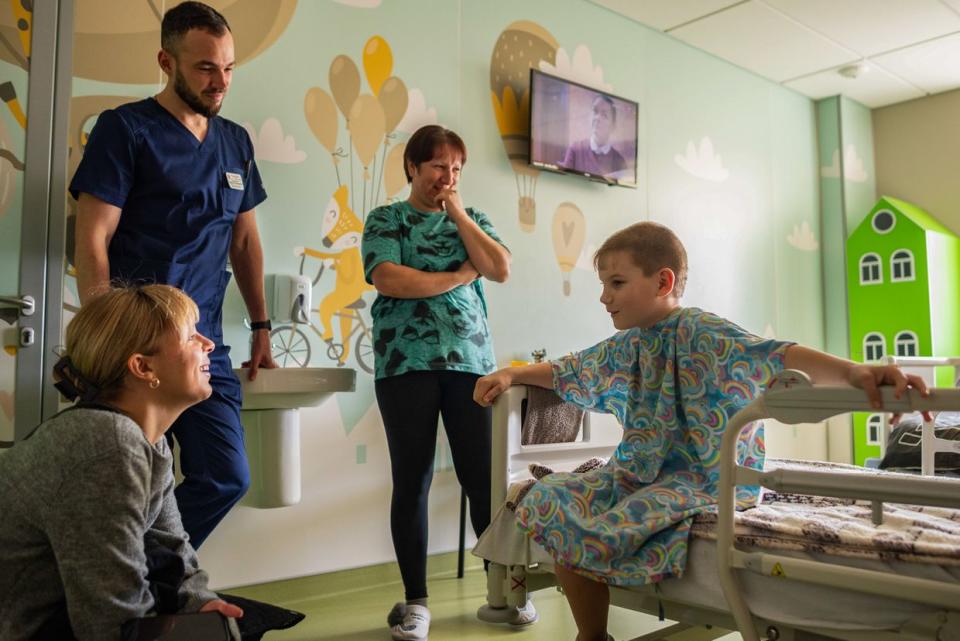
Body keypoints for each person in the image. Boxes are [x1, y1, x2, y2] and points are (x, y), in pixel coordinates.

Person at [473, 222, 927, 641]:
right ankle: (592, 635)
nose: (604, 297)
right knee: (549, 497)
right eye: (603, 285)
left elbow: (777, 354)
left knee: (620, 518)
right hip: (637, 471)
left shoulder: (702, 331)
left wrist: (855, 372)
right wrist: (512, 376)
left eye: (616, 283)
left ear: (663, 282)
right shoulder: (628, 344)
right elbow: (570, 369)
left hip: (705, 478)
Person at [70, 1, 275, 548]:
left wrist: (261, 325)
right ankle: (115, 592)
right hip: (136, 341)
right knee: (122, 480)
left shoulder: (235, 142)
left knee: (226, 477)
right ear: (167, 60)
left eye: (229, 68)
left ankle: (144, 576)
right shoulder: (125, 129)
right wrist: (101, 334)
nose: (220, 81)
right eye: (206, 67)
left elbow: (246, 240)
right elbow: (92, 239)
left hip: (205, 342)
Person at [0, 285, 243, 640]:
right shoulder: (107, 443)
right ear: (143, 367)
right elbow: (110, 620)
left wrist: (199, 603)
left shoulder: (148, 441)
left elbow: (173, 549)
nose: (208, 344)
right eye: (191, 336)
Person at [361, 125, 522, 641]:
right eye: (437, 167)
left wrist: (457, 214)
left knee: (481, 479)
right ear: (412, 167)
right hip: (404, 363)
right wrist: (456, 276)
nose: (447, 177)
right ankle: (416, 603)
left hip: (470, 365)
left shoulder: (471, 219)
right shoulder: (387, 218)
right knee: (414, 480)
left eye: (455, 169)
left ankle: (500, 591)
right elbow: (389, 278)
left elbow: (499, 268)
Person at [559, 95, 628, 179]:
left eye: (604, 115)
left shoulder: (619, 161)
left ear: (613, 126)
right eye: (595, 112)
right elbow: (565, 181)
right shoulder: (575, 149)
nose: (597, 118)